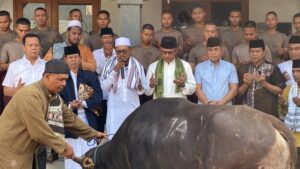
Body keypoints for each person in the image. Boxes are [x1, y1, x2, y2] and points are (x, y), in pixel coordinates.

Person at [0, 59, 105, 169]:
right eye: (60, 80)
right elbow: (38, 130)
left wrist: (93, 134)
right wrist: (63, 147)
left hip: (26, 150)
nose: (64, 84)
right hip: (10, 149)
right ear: (47, 76)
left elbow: (69, 119)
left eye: (65, 80)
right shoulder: (30, 95)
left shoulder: (53, 96)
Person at [60, 45, 102, 169]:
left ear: (80, 58)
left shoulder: (90, 75)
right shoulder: (61, 78)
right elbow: (56, 100)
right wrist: (70, 105)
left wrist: (83, 103)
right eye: (70, 57)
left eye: (76, 57)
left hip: (89, 122)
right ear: (65, 60)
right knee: (72, 159)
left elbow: (99, 96)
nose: (73, 60)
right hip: (70, 124)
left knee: (90, 159)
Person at [100, 37, 146, 139]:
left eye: (124, 51)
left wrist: (139, 86)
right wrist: (115, 70)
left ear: (130, 51)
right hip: (115, 109)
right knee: (114, 139)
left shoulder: (138, 66)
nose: (121, 54)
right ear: (115, 52)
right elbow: (104, 86)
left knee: (132, 138)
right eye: (118, 51)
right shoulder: (109, 65)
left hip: (132, 108)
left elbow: (143, 89)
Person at [237, 39, 285, 117]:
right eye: (252, 51)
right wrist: (245, 84)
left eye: (257, 51)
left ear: (264, 52)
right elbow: (237, 94)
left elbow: (280, 91)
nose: (254, 54)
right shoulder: (243, 68)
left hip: (267, 114)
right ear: (249, 52)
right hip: (247, 114)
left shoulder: (273, 68)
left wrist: (263, 83)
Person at [2, 33, 45, 104]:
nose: (34, 48)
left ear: (40, 47)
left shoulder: (48, 65)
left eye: (36, 45)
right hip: (21, 106)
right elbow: (5, 91)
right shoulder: (14, 66)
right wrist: (17, 90)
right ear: (24, 47)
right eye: (30, 45)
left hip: (42, 105)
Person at [195, 37, 238, 105]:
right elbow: (197, 89)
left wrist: (219, 104)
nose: (213, 53)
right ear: (207, 51)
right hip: (205, 108)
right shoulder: (199, 68)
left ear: (221, 50)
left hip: (224, 108)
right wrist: (208, 103)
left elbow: (234, 90)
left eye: (216, 49)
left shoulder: (230, 67)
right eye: (210, 50)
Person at [92, 27, 116, 132]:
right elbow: (95, 71)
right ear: (101, 39)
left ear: (113, 38)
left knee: (113, 123)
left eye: (109, 37)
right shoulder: (96, 54)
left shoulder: (118, 54)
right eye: (105, 37)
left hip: (114, 94)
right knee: (100, 124)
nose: (107, 40)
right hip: (100, 94)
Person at [279, 59, 300, 169]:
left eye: (298, 71)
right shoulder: (288, 89)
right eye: (294, 71)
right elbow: (283, 114)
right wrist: (282, 104)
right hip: (291, 137)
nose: (295, 74)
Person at [0, 10, 16, 113]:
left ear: (10, 21)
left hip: (11, 71)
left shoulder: (15, 35)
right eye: (0, 22)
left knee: (9, 98)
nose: (3, 24)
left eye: (5, 22)